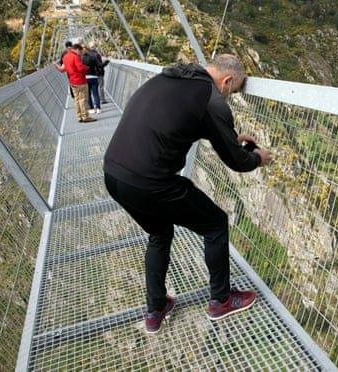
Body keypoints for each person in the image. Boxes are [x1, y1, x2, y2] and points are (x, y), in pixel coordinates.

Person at [103, 54, 272, 333]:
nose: (232, 94)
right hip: (152, 182)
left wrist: (230, 136)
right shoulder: (211, 98)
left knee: (159, 233)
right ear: (227, 80)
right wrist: (258, 158)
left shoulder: (170, 77)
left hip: (114, 175)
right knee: (215, 223)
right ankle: (221, 300)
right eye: (235, 89)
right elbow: (237, 162)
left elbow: (177, 120)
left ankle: (155, 308)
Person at [58, 44, 96, 123]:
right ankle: (85, 116)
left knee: (76, 100)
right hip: (80, 81)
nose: (81, 54)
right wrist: (87, 67)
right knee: (83, 99)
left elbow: (62, 69)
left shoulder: (65, 57)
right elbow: (80, 68)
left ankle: (79, 117)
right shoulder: (75, 57)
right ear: (77, 49)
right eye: (81, 52)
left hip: (72, 81)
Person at [82, 45, 102, 114]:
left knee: (88, 94)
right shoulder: (93, 57)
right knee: (95, 93)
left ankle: (91, 108)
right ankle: (98, 108)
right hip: (94, 77)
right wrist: (107, 62)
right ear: (88, 50)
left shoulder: (80, 59)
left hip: (85, 78)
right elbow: (99, 65)